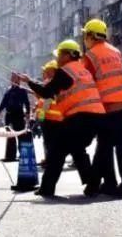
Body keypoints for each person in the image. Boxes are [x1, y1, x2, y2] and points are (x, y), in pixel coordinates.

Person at [18, 40, 101, 198]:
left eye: (60, 54)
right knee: (77, 149)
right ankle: (92, 184)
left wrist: (28, 81)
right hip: (94, 117)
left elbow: (46, 92)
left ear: (68, 55)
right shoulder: (82, 70)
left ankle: (47, 188)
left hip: (79, 117)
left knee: (56, 151)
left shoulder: (65, 71)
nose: (58, 58)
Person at [82, 18, 122, 196]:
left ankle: (102, 184)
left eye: (85, 35)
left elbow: (87, 82)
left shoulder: (91, 56)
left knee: (104, 145)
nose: (85, 39)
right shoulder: (116, 52)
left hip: (106, 107)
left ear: (91, 36)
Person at [0, 74, 31, 162]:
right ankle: (11, 155)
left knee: (20, 135)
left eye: (15, 78)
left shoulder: (22, 90)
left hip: (18, 115)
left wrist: (27, 113)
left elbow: (27, 103)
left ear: (19, 80)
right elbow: (3, 102)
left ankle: (22, 155)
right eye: (11, 78)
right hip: (9, 115)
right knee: (10, 136)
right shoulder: (8, 91)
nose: (12, 79)